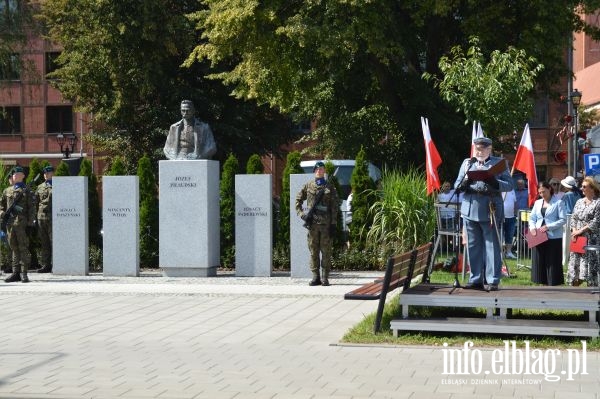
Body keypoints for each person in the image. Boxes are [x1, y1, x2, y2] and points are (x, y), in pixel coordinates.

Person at [453, 137, 513, 291]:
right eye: (477, 149)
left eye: (482, 149)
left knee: (492, 245)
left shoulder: (498, 164)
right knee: (473, 246)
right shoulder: (468, 163)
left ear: (489, 149)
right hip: (470, 207)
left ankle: (493, 280)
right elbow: (456, 183)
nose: (479, 152)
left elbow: (510, 185)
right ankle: (475, 279)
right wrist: (464, 184)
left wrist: (495, 183)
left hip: (489, 208)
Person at [295, 161, 339, 286]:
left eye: (322, 169)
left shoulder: (330, 187)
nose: (320, 171)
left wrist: (333, 223)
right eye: (318, 169)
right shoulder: (308, 186)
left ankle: (325, 278)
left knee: (326, 251)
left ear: (324, 171)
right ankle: (315, 277)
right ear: (314, 171)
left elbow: (335, 206)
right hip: (312, 224)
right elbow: (298, 200)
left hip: (325, 225)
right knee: (313, 251)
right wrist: (302, 214)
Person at [0, 166, 35, 283]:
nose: (15, 175)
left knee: (23, 248)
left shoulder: (28, 191)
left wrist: (30, 224)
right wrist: (3, 214)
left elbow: (32, 209)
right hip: (10, 224)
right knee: (14, 248)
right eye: (14, 174)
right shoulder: (7, 191)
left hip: (22, 224)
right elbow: (1, 206)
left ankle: (24, 273)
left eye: (18, 173)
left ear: (23, 176)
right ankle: (15, 272)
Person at [528, 181, 566, 285]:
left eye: (544, 192)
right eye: (540, 193)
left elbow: (563, 220)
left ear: (549, 189)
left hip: (553, 237)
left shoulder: (558, 202)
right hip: (538, 235)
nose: (542, 194)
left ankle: (553, 282)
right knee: (539, 259)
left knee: (552, 261)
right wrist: (532, 228)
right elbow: (532, 218)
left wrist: (548, 227)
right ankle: (540, 281)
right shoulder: (537, 203)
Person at [567, 176, 600, 287]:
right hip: (578, 238)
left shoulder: (598, 203)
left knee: (590, 267)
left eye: (584, 186)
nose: (582, 188)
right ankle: (574, 291)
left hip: (591, 239)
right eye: (582, 186)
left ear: (592, 188)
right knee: (575, 264)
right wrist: (574, 230)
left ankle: (592, 290)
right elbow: (574, 218)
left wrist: (580, 230)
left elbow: (596, 221)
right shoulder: (579, 202)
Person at [36, 165, 54, 273]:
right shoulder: (40, 187)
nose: (46, 175)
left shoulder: (59, 185)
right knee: (44, 242)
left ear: (53, 173)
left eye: (48, 173)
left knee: (54, 242)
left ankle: (56, 264)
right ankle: (46, 265)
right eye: (45, 173)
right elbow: (36, 202)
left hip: (53, 218)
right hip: (41, 218)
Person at [502, 188, 518, 259]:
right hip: (501, 217)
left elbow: (514, 202)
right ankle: (501, 252)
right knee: (500, 235)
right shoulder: (501, 189)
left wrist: (515, 214)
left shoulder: (512, 190)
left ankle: (509, 252)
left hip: (511, 216)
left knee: (510, 235)